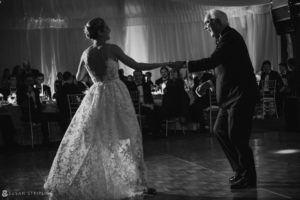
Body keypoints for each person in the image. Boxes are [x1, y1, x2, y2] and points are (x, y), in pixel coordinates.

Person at [44, 17, 173, 199]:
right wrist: (161, 64)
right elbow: (136, 66)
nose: (110, 29)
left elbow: (79, 77)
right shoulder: (112, 48)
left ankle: (113, 183)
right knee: (129, 136)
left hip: (96, 96)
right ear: (100, 31)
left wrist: (95, 83)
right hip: (116, 95)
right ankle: (138, 184)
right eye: (106, 27)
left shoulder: (85, 53)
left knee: (99, 140)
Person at [173, 9, 259, 189]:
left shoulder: (230, 38)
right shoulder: (223, 39)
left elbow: (213, 61)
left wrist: (186, 64)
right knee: (220, 130)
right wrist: (209, 82)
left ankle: (249, 177)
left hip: (240, 96)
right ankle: (240, 170)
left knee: (237, 136)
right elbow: (227, 69)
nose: (205, 27)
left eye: (207, 23)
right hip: (230, 98)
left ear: (217, 22)